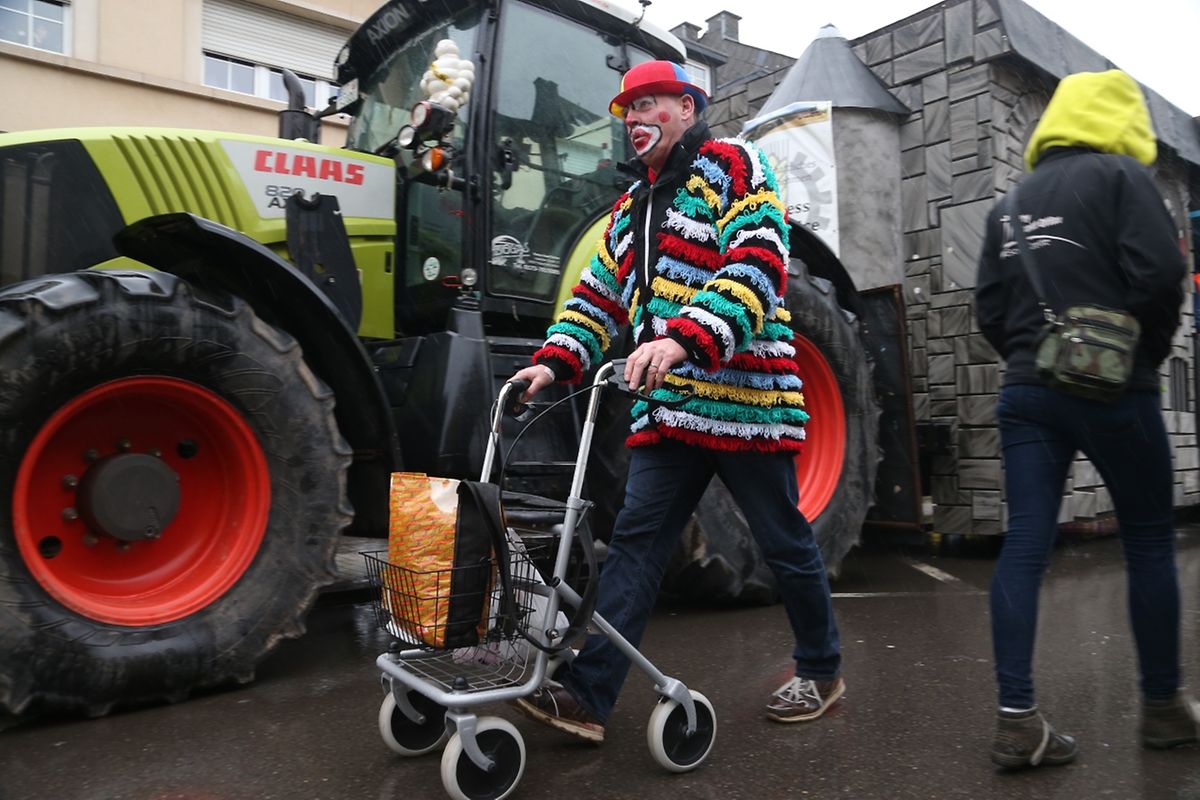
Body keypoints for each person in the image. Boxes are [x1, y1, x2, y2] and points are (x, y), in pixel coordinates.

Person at [508, 60, 843, 743]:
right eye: (628, 110)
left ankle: (822, 668)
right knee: (634, 545)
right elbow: (597, 297)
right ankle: (589, 696)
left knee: (782, 540)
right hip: (669, 412)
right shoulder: (630, 209)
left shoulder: (734, 167)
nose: (635, 119)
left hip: (747, 407)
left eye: (650, 104)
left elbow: (758, 266)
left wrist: (685, 338)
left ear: (687, 108)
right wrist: (553, 360)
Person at [974, 69, 1196, 769]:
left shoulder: (1008, 207)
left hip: (1026, 395)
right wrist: (1137, 355)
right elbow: (1161, 276)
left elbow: (988, 310)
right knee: (1148, 540)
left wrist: (1032, 357)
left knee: (1025, 545)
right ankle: (1162, 709)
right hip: (1116, 391)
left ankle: (1018, 721)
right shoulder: (1123, 179)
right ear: (1119, 120)